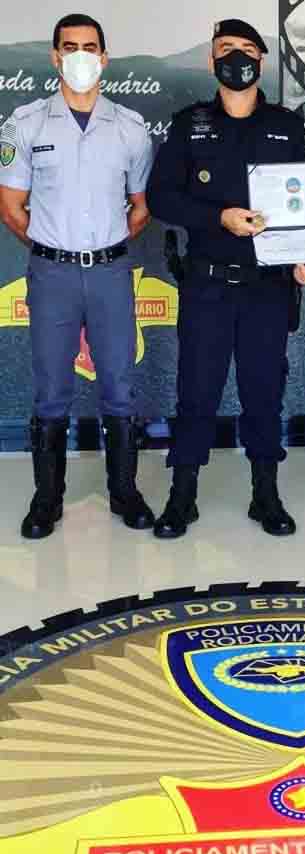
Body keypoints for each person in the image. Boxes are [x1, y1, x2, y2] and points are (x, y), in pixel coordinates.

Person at [146, 18, 305, 540]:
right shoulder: (190, 124)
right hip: (206, 283)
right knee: (196, 392)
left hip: (268, 287)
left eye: (248, 50)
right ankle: (182, 497)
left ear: (261, 62)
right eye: (227, 49)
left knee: (264, 392)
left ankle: (265, 495)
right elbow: (161, 197)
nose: (238, 58)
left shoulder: (285, 126)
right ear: (212, 60)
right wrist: (218, 217)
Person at [0, 13, 155, 540]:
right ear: (55, 56)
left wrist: (104, 245)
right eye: (70, 47)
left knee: (119, 387)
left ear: (104, 57)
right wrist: (52, 247)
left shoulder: (130, 128)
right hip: (52, 275)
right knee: (51, 390)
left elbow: (141, 206)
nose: (81, 56)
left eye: (90, 47)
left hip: (111, 272)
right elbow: (11, 206)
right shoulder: (26, 124)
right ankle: (47, 500)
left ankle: (125, 493)